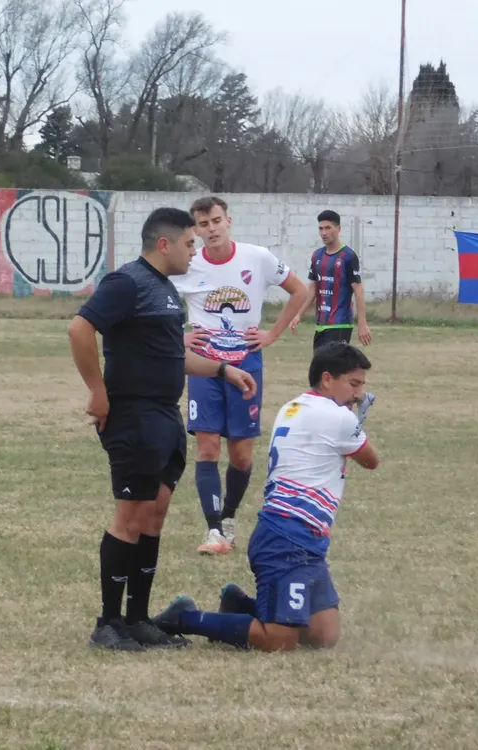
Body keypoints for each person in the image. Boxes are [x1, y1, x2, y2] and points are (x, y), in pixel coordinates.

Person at [69, 206, 260, 652]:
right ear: (164, 244)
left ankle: (138, 619)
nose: (195, 251)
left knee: (154, 515)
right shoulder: (127, 282)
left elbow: (172, 354)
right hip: (133, 416)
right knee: (130, 517)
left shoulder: (166, 291)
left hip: (164, 415)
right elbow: (79, 329)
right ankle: (109, 623)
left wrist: (223, 370)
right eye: (190, 243)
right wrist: (97, 391)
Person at [149, 341, 380, 652]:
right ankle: (185, 618)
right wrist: (356, 423)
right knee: (280, 639)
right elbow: (371, 460)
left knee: (324, 635)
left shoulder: (293, 406)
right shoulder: (338, 417)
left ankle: (240, 605)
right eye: (353, 384)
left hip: (299, 537)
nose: (358, 394)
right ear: (327, 379)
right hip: (288, 537)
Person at [171, 196, 309, 557]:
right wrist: (179, 335)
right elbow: (159, 301)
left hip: (246, 365)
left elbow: (300, 290)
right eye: (203, 225)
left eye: (216, 221)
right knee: (207, 447)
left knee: (242, 455)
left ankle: (229, 519)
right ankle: (214, 529)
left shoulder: (257, 258)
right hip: (203, 365)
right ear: (196, 230)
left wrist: (271, 335)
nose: (211, 229)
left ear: (228, 220)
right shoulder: (188, 263)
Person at [290, 210, 372, 349]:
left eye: (328, 228)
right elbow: (313, 289)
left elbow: (358, 291)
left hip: (340, 324)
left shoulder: (348, 256)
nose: (324, 232)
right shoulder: (317, 255)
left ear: (338, 229)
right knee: (320, 368)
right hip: (321, 325)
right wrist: (299, 314)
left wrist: (362, 323)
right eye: (321, 228)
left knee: (333, 368)